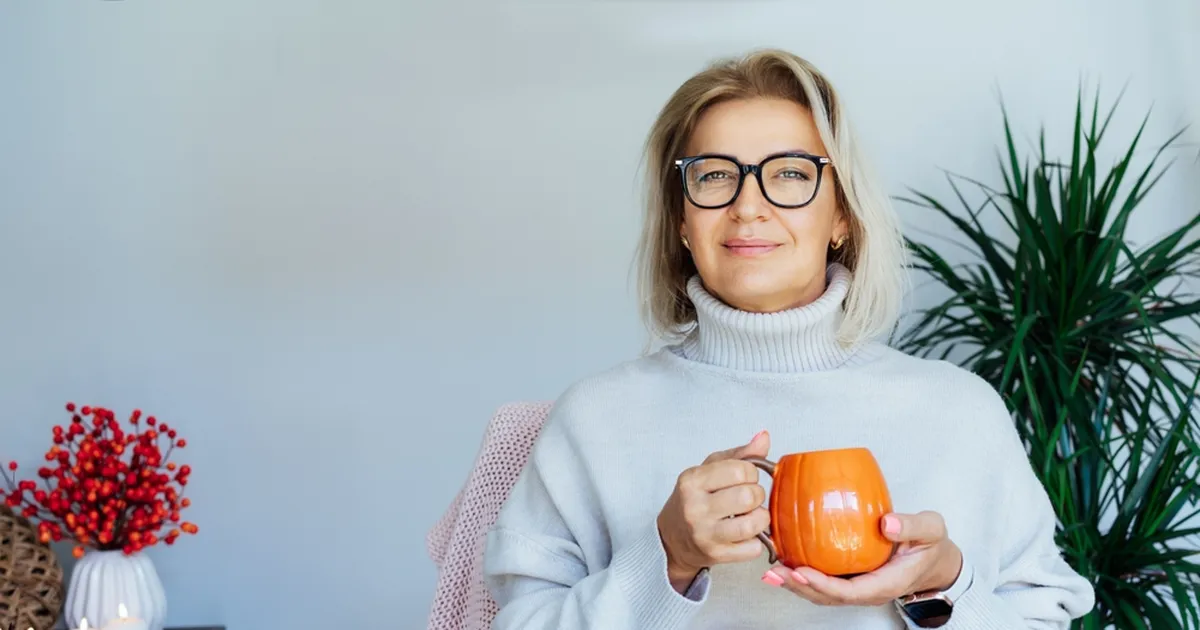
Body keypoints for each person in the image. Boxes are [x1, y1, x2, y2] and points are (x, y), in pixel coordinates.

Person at [481, 48, 1094, 629]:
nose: (749, 207)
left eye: (792, 174)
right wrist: (666, 555)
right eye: (716, 176)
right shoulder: (595, 419)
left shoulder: (960, 412)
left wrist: (940, 584)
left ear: (841, 216)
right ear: (681, 221)